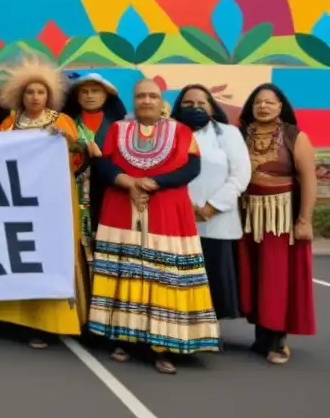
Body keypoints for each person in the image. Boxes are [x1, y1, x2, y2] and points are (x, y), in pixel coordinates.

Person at [88, 78, 220, 375]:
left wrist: (153, 183)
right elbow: (104, 164)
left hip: (167, 212)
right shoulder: (117, 130)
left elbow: (191, 167)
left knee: (165, 277)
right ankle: (123, 337)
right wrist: (129, 183)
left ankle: (165, 346)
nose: (146, 101)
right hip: (121, 209)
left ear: (161, 101)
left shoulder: (182, 131)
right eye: (140, 96)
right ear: (133, 101)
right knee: (124, 273)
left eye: (152, 96)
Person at [0, 58, 87, 349]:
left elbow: (80, 160)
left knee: (51, 254)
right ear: (21, 95)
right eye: (30, 92)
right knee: (19, 253)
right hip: (17, 203)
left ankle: (51, 321)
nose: (35, 97)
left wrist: (67, 143)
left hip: (53, 203)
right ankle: (18, 319)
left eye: (40, 92)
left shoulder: (62, 123)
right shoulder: (9, 124)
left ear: (49, 96)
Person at [237, 83, 318, 365]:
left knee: (277, 279)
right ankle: (262, 336)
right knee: (253, 275)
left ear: (280, 107)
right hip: (246, 216)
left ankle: (276, 339)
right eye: (258, 101)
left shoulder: (295, 136)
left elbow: (309, 179)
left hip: (280, 220)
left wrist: (304, 220)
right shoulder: (239, 135)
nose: (263, 107)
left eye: (269, 102)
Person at [170, 84, 250, 321]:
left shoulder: (228, 133)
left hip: (217, 221)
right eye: (188, 104)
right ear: (178, 107)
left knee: (213, 281)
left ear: (212, 108)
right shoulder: (168, 132)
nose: (195, 108)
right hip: (177, 219)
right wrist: (187, 208)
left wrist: (210, 207)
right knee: (178, 282)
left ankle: (210, 333)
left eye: (201, 103)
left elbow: (240, 176)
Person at [60, 72, 128, 253]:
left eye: (95, 91)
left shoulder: (122, 127)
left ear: (106, 95)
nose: (90, 96)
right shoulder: (66, 126)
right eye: (84, 91)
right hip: (75, 196)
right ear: (77, 96)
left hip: (110, 195)